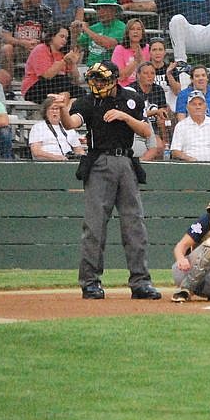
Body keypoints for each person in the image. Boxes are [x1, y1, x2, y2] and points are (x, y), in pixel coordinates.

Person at [56, 61, 161, 300]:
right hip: (99, 162)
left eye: (102, 80)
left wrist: (125, 117)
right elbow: (71, 123)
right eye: (95, 80)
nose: (98, 84)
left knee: (134, 225)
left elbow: (146, 132)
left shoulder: (132, 98)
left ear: (114, 79)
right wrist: (63, 108)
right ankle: (90, 282)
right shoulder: (88, 101)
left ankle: (140, 282)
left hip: (126, 162)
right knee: (94, 226)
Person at [0, 0, 53, 81]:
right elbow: (6, 37)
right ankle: (8, 83)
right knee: (6, 48)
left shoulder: (45, 12)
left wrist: (38, 43)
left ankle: (39, 83)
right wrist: (22, 43)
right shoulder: (12, 10)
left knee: (45, 48)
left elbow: (49, 36)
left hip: (37, 47)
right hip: (18, 48)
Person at [21, 24, 85, 104]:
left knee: (81, 93)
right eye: (62, 36)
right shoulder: (40, 49)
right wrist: (64, 61)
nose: (64, 40)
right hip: (34, 88)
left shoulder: (63, 54)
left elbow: (75, 80)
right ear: (52, 36)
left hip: (58, 86)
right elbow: (47, 75)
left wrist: (73, 63)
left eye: (66, 38)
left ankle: (65, 113)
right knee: (62, 81)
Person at [169, 90, 210, 162]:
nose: (198, 107)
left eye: (200, 104)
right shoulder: (181, 126)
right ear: (187, 107)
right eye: (194, 104)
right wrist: (189, 158)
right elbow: (175, 151)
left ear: (205, 106)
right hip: (190, 165)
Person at [130, 61, 169, 160]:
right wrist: (155, 112)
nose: (149, 76)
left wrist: (164, 139)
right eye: (146, 73)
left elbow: (162, 114)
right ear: (138, 75)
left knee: (160, 146)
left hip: (153, 129)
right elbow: (134, 115)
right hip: (134, 128)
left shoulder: (158, 90)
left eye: (152, 73)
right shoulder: (131, 90)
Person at [72, 0, 125, 67]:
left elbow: (108, 44)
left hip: (110, 69)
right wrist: (74, 33)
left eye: (105, 9)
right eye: (98, 8)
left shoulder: (121, 27)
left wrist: (86, 29)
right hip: (90, 68)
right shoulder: (94, 28)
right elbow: (77, 48)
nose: (101, 12)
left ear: (114, 11)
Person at [29, 95, 85, 161]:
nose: (55, 112)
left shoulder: (68, 128)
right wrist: (57, 158)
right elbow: (37, 152)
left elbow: (79, 150)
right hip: (47, 163)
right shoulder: (38, 127)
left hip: (67, 162)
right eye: (52, 109)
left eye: (57, 109)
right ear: (46, 111)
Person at [110, 18, 150, 87]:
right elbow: (120, 77)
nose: (135, 32)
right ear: (127, 32)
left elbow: (149, 75)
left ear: (142, 33)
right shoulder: (119, 49)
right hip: (124, 88)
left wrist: (141, 59)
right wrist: (136, 61)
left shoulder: (147, 48)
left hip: (143, 88)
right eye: (132, 29)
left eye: (138, 29)